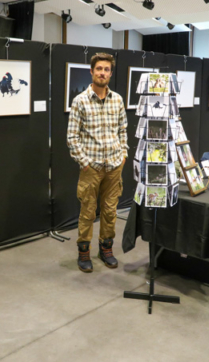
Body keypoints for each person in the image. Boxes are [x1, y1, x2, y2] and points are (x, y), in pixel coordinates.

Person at [67, 52, 128, 273]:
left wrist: (123, 154)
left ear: (110, 73)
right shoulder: (80, 101)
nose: (102, 73)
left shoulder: (118, 99)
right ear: (91, 72)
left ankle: (106, 249)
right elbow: (72, 137)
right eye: (99, 69)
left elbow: (123, 129)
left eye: (106, 69)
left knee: (110, 211)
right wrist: (84, 162)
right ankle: (83, 253)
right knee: (87, 212)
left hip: (114, 166)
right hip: (91, 167)